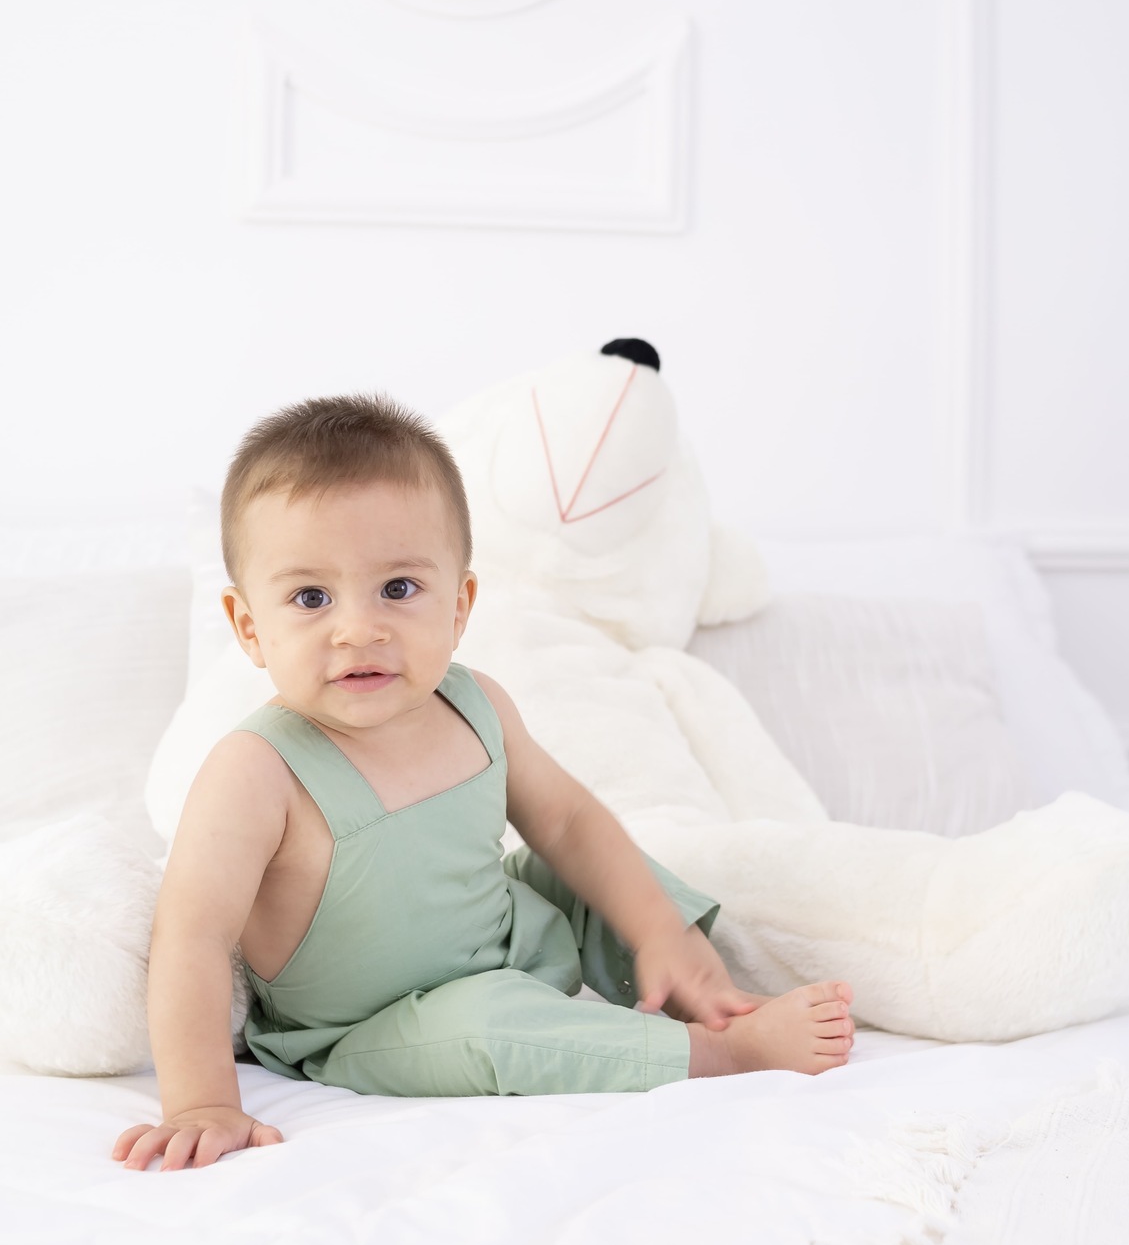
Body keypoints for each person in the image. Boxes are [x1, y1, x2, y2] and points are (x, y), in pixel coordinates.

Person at [112, 393, 855, 1172]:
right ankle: (721, 1052)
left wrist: (655, 929)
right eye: (310, 597)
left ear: (460, 605)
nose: (359, 628)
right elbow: (192, 936)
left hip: (506, 940)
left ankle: (708, 983)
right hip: (375, 1026)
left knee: (602, 874)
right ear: (248, 627)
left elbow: (565, 821)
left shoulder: (475, 704)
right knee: (494, 1020)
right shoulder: (257, 771)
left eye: (398, 588)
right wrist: (200, 1100)